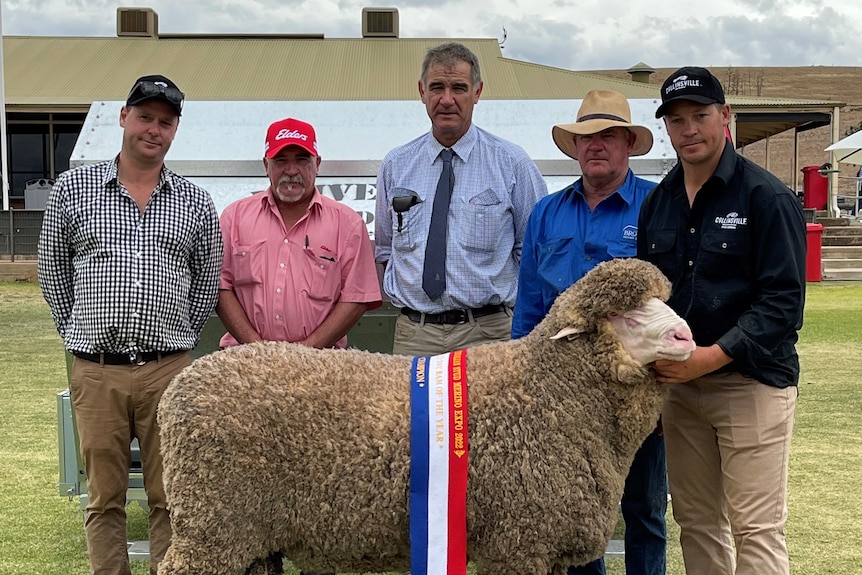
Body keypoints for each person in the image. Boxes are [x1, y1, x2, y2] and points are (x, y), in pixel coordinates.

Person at [37, 74, 222, 575]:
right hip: (97, 369)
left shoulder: (195, 202)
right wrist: (81, 336)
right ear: (123, 117)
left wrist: (178, 338)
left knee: (172, 497)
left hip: (170, 370)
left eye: (165, 122)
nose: (153, 130)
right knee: (103, 498)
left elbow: (206, 284)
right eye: (145, 117)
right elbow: (53, 272)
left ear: (175, 129)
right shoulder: (74, 190)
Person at [638, 67, 805, 575]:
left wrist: (711, 357)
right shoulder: (658, 203)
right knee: (697, 522)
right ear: (666, 127)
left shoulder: (766, 198)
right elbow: (650, 301)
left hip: (749, 384)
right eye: (677, 119)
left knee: (755, 528)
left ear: (725, 117)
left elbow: (782, 304)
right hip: (681, 390)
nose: (689, 129)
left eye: (700, 115)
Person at [512, 90, 666, 575]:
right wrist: (523, 380)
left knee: (643, 507)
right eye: (586, 137)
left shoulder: (658, 206)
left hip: (635, 384)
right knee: (574, 511)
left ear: (627, 144)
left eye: (608, 135)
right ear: (574, 148)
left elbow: (671, 302)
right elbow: (532, 304)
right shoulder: (546, 213)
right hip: (563, 391)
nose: (595, 145)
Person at [375, 41, 547, 356]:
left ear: (477, 92)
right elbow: (385, 251)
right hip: (416, 336)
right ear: (421, 91)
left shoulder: (512, 164)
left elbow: (534, 254)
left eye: (459, 88)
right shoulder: (395, 166)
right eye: (437, 87)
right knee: (413, 408)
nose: (447, 99)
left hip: (489, 334)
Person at [216, 116, 381, 351]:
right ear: (266, 165)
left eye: (302, 160)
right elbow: (220, 286)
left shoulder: (348, 224)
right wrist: (256, 348)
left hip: (320, 364)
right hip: (242, 359)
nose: (291, 170)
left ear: (318, 164)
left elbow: (357, 297)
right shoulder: (234, 217)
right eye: (280, 160)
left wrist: (304, 353)